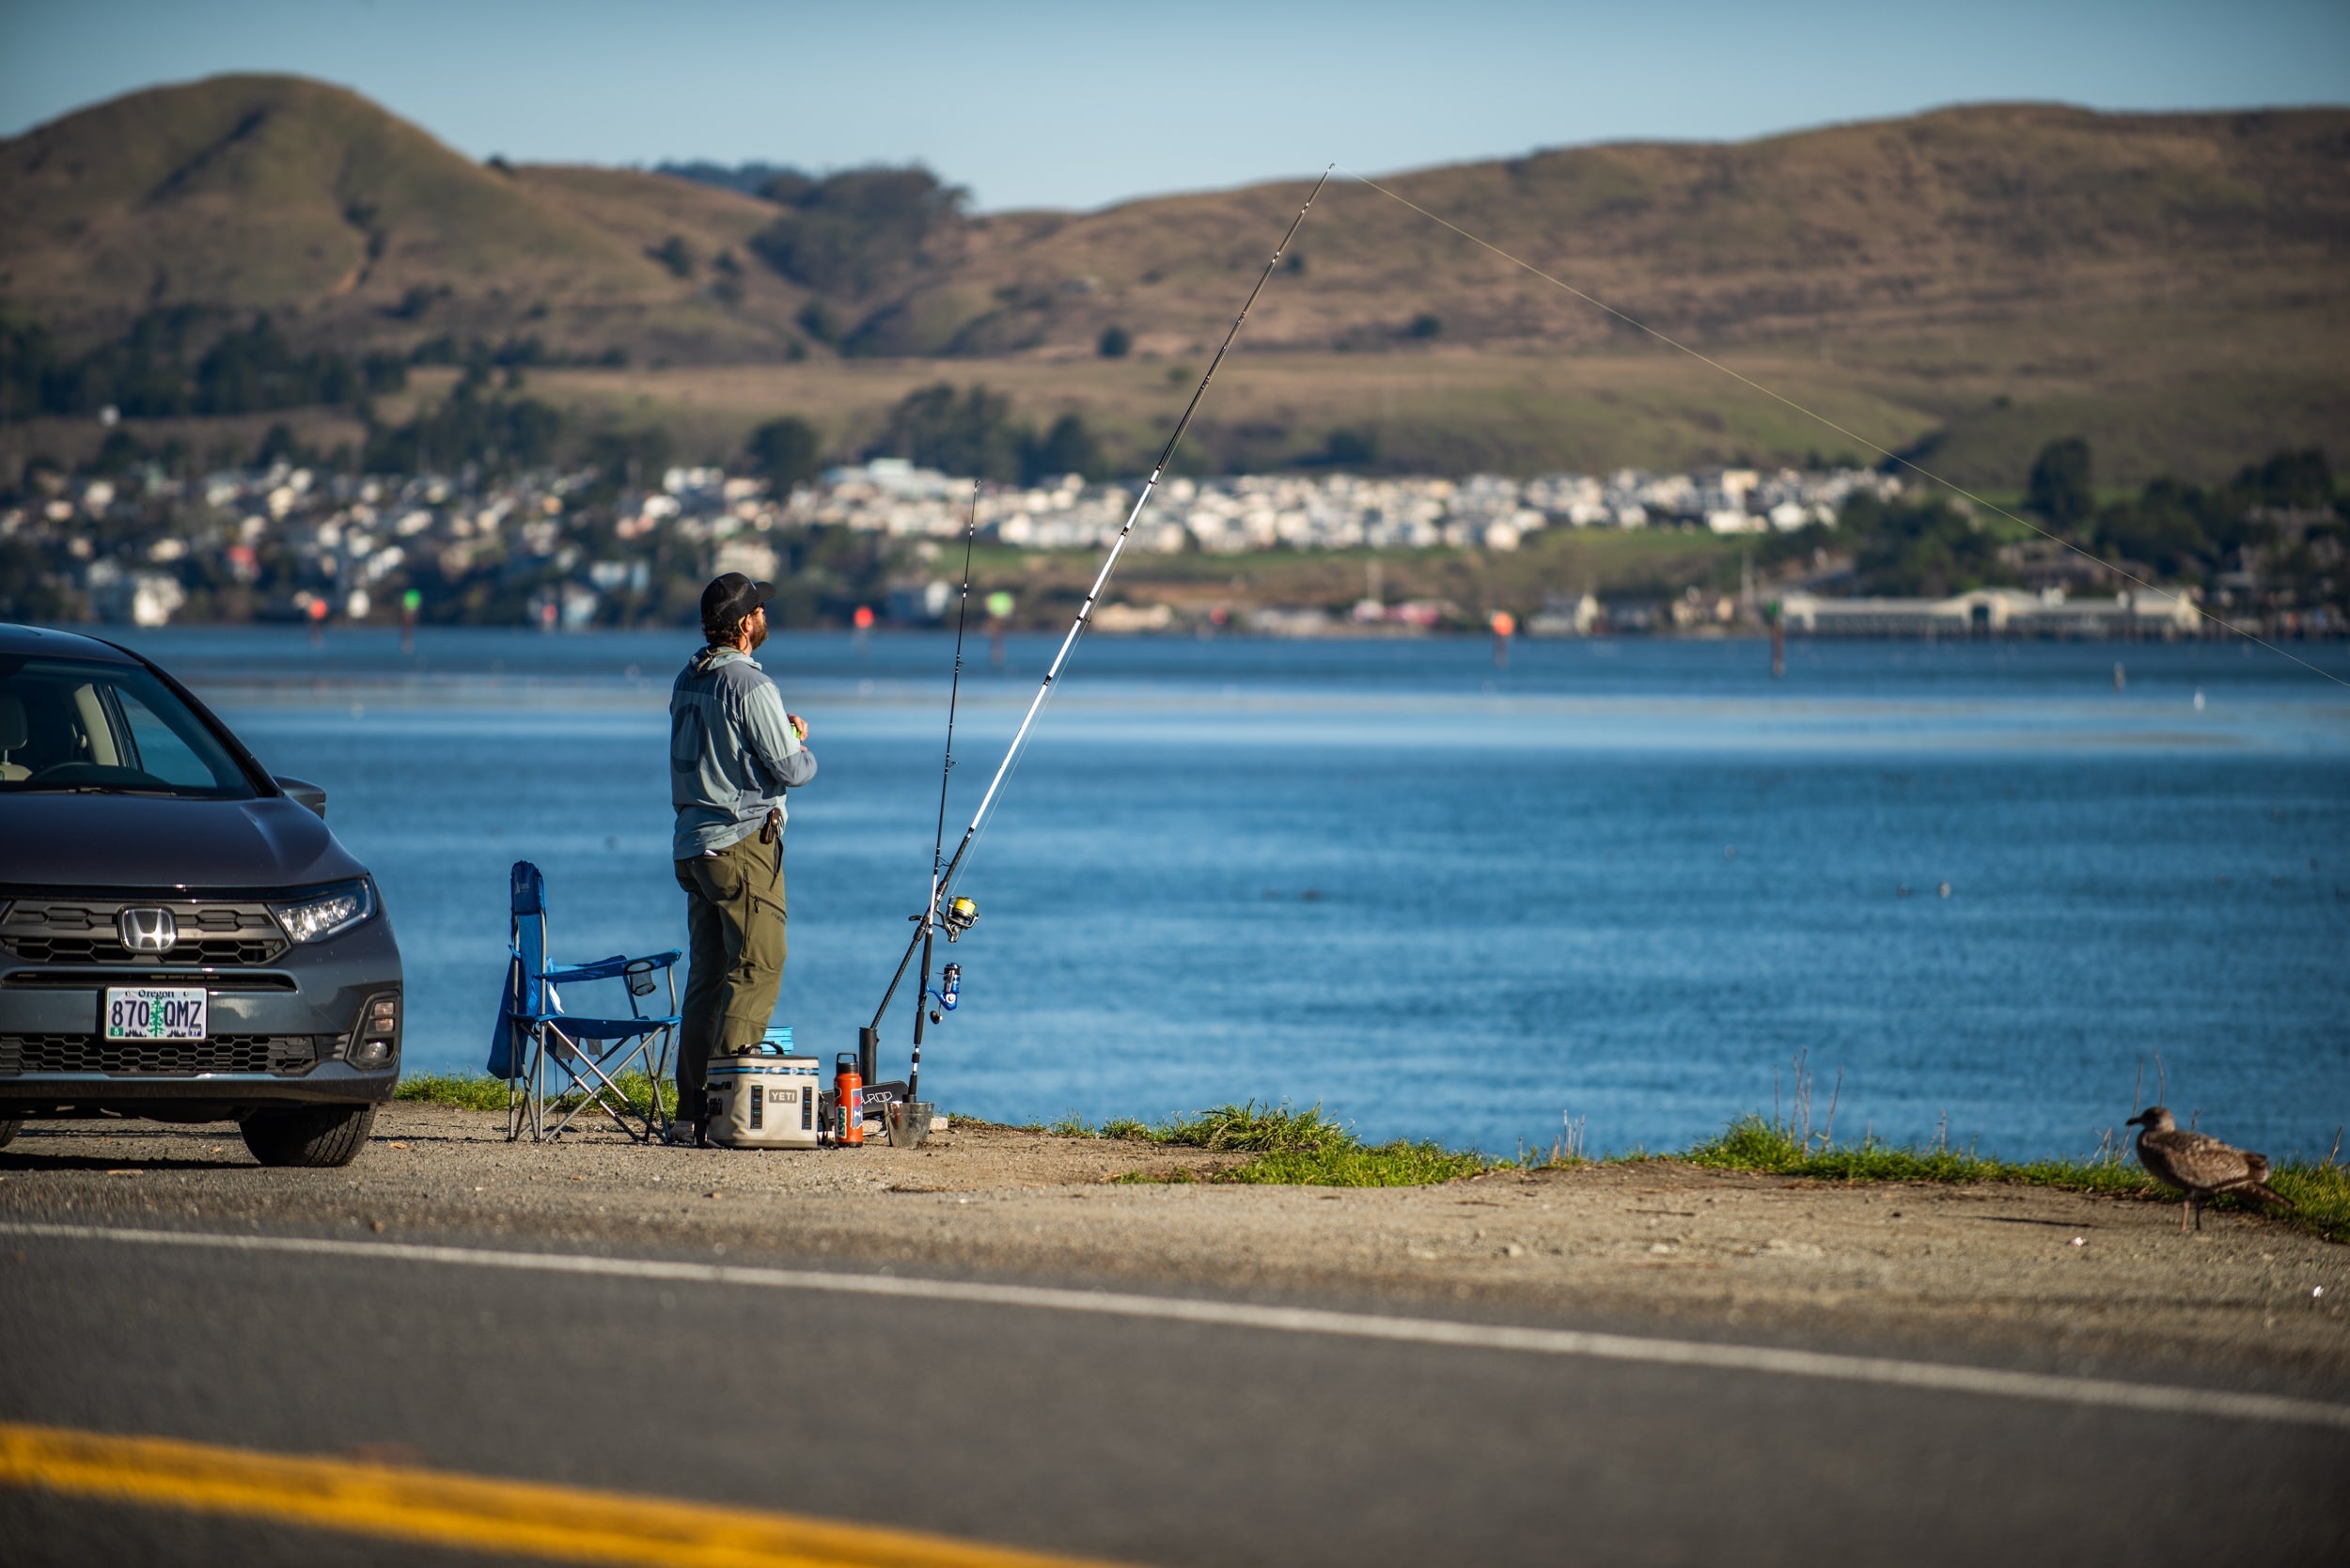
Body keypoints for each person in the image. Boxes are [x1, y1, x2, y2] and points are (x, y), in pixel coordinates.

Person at [667, 572, 816, 1145]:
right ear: (747, 624)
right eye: (759, 609)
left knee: (708, 977)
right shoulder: (750, 685)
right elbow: (793, 771)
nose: (764, 615)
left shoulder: (690, 678)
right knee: (759, 965)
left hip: (693, 845)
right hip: (740, 846)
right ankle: (728, 1109)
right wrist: (796, 741)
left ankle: (690, 1112)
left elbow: (721, 752)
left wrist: (775, 735)